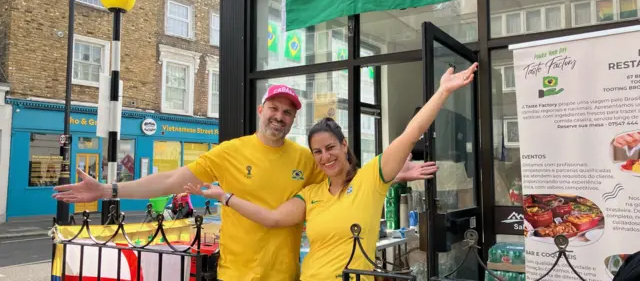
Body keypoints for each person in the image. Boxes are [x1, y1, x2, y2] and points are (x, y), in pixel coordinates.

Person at [53, 84, 439, 281]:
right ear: (261, 110)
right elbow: (172, 179)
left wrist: (388, 177)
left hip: (287, 275)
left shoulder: (306, 159)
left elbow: (343, 175)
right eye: (274, 108)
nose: (280, 116)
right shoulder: (229, 152)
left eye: (288, 113)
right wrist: (108, 190)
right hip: (237, 273)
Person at [185, 63, 478, 281]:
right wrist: (225, 196)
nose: (325, 156)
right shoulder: (310, 193)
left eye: (330, 147)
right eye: (317, 151)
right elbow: (272, 218)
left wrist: (443, 91)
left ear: (343, 145)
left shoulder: (370, 180)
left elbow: (411, 133)